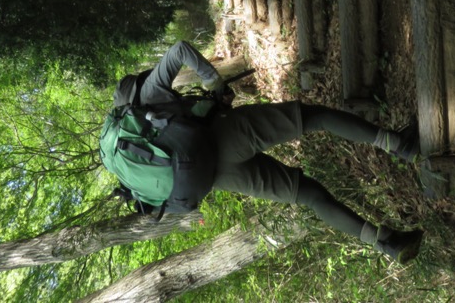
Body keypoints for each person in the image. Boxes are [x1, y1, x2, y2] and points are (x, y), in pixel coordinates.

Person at [114, 41, 424, 263]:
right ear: (134, 91)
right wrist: (214, 84)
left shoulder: (137, 148)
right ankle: (399, 145)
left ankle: (386, 243)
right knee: (315, 117)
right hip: (227, 135)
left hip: (218, 176)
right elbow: (179, 50)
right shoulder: (146, 96)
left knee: (308, 195)